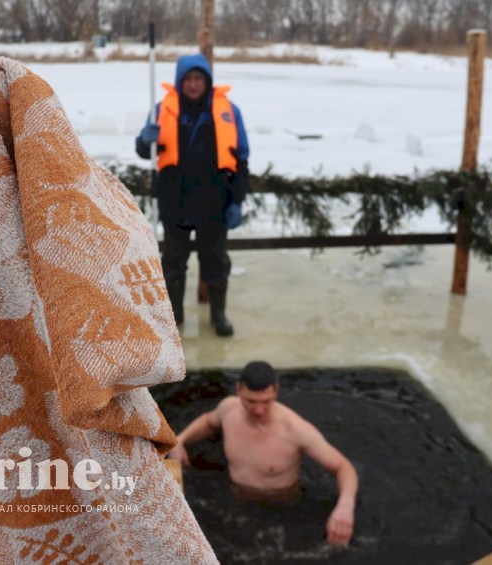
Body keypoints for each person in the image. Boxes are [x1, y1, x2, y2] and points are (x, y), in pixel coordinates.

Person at [168, 361, 359, 546]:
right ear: (239, 389)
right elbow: (209, 421)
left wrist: (345, 505)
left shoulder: (296, 430)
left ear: (276, 390)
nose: (259, 410)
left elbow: (343, 467)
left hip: (281, 508)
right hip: (234, 498)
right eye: (250, 401)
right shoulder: (229, 409)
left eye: (266, 402)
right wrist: (180, 440)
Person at [136, 53, 250, 337]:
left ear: (207, 81)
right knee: (174, 263)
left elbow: (242, 159)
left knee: (216, 262)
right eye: (187, 79)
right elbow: (142, 150)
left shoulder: (229, 112)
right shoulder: (162, 110)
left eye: (199, 78)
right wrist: (143, 140)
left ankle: (218, 315)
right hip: (176, 201)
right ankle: (175, 317)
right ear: (179, 82)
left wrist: (237, 201)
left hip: (215, 202)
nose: (193, 84)